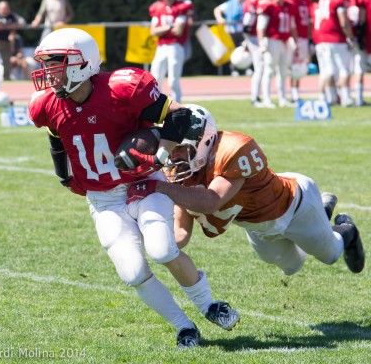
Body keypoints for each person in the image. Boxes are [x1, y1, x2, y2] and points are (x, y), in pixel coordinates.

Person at [27, 28, 239, 349]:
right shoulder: (47, 104)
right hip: (103, 199)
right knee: (132, 273)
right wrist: (65, 176)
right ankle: (184, 327)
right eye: (46, 65)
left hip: (145, 185)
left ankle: (210, 305)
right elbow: (56, 138)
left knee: (163, 250)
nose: (48, 74)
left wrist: (161, 153)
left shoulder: (122, 88)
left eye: (55, 64)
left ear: (81, 64)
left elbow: (180, 114)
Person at [127, 104, 365, 278]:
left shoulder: (233, 150)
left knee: (330, 254)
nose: (174, 156)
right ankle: (322, 215)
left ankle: (346, 229)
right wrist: (156, 246)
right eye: (171, 149)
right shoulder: (180, 173)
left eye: (181, 149)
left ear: (204, 141)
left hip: (295, 205)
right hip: (257, 224)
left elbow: (212, 201)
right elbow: (181, 231)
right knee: (292, 268)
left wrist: (157, 186)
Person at [149, 0, 194, 103]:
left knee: (173, 80)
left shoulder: (181, 7)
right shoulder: (157, 7)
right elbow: (153, 31)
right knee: (155, 78)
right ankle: (155, 105)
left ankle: (177, 107)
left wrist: (163, 28)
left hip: (176, 46)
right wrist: (170, 26)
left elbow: (178, 31)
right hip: (161, 46)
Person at [314, 0, 354, 107]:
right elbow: (343, 22)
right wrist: (350, 36)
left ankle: (330, 98)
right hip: (336, 38)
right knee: (344, 69)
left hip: (322, 39)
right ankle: (346, 98)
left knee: (329, 70)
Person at [257, 0, 299, 108]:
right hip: (272, 41)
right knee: (269, 70)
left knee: (283, 71)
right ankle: (267, 99)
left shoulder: (288, 6)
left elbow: (292, 26)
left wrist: (295, 42)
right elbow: (261, 26)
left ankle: (282, 99)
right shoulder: (268, 6)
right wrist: (262, 42)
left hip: (285, 41)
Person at [282, 0, 312, 102]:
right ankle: (288, 93)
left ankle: (296, 92)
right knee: (291, 65)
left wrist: (310, 37)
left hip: (304, 36)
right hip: (291, 37)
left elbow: (309, 20)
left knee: (299, 65)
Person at [242, 0, 270, 106]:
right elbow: (247, 23)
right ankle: (255, 97)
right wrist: (246, 40)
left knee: (263, 68)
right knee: (260, 68)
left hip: (260, 37)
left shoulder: (264, 2)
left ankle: (259, 96)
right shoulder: (253, 1)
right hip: (254, 38)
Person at [214, 0, 246, 76]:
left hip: (242, 32)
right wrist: (220, 18)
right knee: (233, 51)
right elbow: (217, 10)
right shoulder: (229, 4)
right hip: (231, 31)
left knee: (244, 50)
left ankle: (246, 68)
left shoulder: (245, 4)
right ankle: (233, 70)